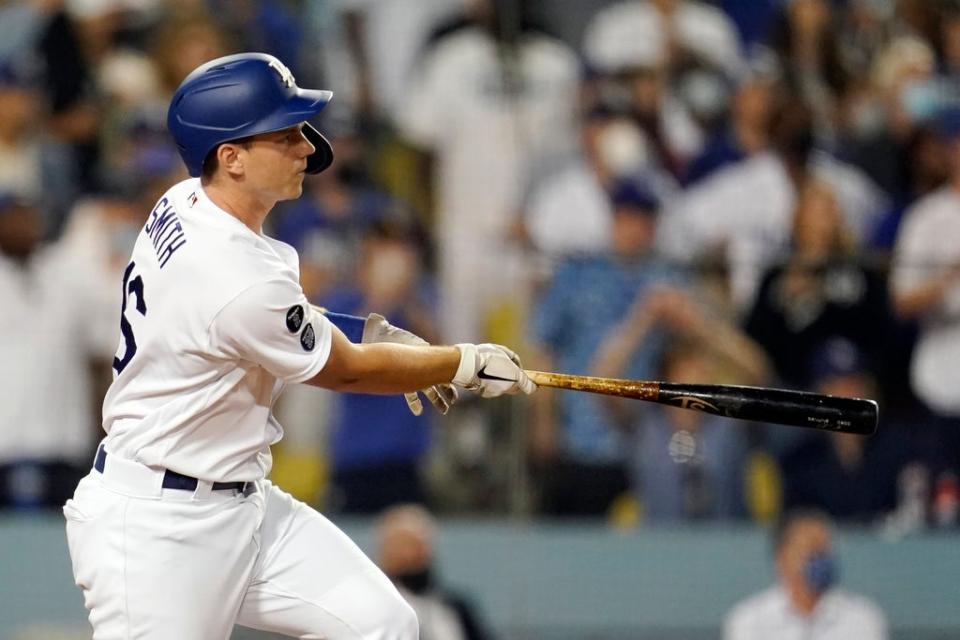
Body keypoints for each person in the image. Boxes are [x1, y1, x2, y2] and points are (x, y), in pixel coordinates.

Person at [61, 52, 536, 640]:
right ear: (230, 157)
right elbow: (348, 371)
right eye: (284, 134)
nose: (307, 147)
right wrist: (460, 361)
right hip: (159, 528)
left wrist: (376, 334)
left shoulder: (185, 200)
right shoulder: (234, 273)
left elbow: (277, 321)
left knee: (382, 624)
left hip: (243, 503)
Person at [723, 510, 888, 639]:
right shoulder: (749, 620)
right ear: (782, 560)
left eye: (825, 551)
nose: (822, 560)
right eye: (812, 551)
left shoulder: (862, 618)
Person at [377, 504, 495, 640]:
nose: (410, 554)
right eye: (402, 544)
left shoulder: (456, 608)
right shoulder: (379, 609)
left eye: (418, 545)